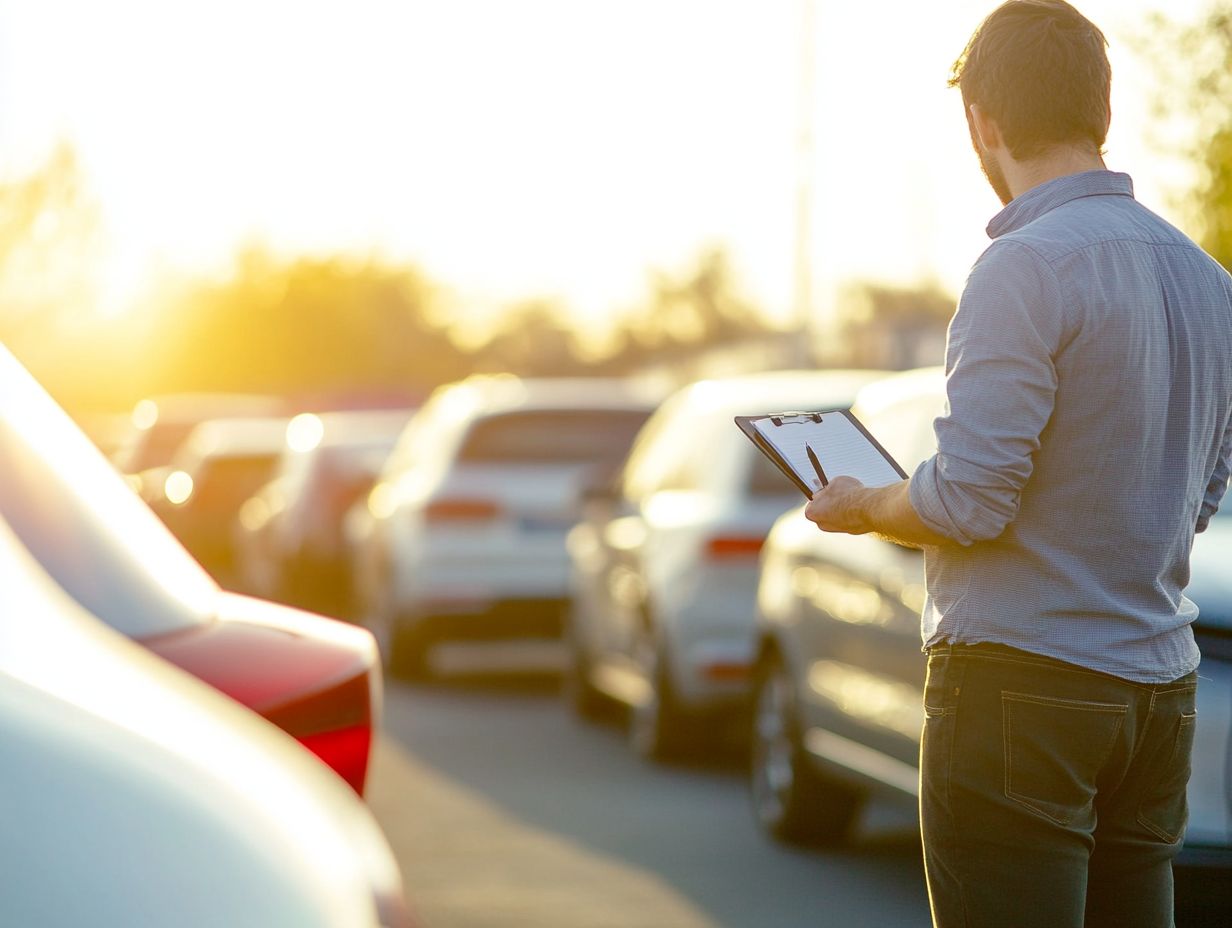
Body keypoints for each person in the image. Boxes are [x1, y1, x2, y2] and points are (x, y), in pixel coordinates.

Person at [803, 2, 1232, 926]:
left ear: (983, 125)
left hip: (1019, 687)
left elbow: (968, 503)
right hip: (1158, 694)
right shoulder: (1209, 280)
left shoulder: (1022, 267)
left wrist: (867, 503)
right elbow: (1203, 493)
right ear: (1101, 112)